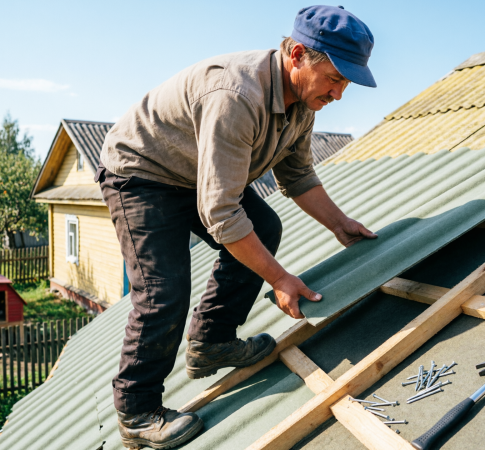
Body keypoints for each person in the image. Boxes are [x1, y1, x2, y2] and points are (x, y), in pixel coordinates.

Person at [95, 5, 378, 449]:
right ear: (297, 55)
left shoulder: (303, 105)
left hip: (193, 171)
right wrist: (280, 279)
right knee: (164, 290)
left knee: (264, 227)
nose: (339, 94)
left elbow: (298, 176)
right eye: (335, 79)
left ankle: (211, 342)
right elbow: (222, 213)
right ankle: (137, 411)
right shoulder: (237, 94)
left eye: (346, 84)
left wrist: (340, 225)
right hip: (143, 173)